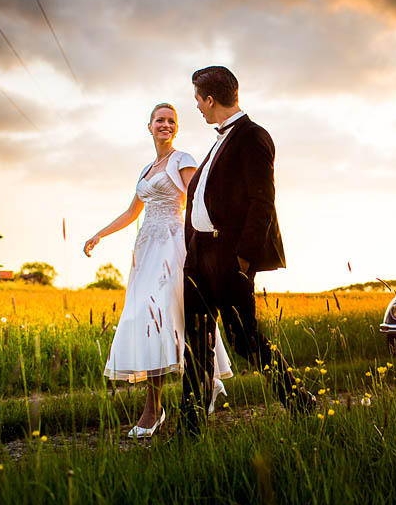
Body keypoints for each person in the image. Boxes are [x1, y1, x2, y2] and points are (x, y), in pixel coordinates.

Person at [177, 66, 314, 439]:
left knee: (243, 339)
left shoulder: (253, 136)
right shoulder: (217, 142)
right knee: (196, 343)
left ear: (210, 99)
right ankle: (189, 427)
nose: (199, 109)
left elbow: (262, 201)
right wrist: (191, 252)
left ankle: (299, 400)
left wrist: (243, 258)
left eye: (198, 101)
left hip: (228, 256)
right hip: (198, 257)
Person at [83, 102, 233, 438]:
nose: (165, 125)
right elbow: (131, 212)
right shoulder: (146, 169)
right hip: (146, 250)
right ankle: (156, 407)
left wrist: (210, 241)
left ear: (175, 128)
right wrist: (99, 234)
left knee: (173, 318)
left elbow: (197, 196)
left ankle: (196, 389)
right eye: (159, 120)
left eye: (171, 121)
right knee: (143, 319)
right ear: (149, 126)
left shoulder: (183, 159)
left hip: (173, 246)